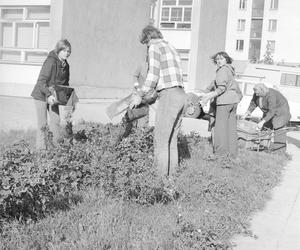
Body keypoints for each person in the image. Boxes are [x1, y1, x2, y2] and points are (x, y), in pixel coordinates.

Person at [131, 25, 186, 177]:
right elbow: (167, 77)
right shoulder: (171, 47)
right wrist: (153, 95)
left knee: (161, 141)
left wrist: (140, 94)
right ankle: (171, 181)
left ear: (148, 38)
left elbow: (153, 76)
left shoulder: (154, 47)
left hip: (169, 95)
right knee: (171, 142)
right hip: (181, 94)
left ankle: (160, 182)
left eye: (146, 43)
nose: (147, 47)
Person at [31, 39, 72, 150]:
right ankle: (41, 150)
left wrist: (68, 99)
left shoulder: (65, 65)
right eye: (64, 51)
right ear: (58, 50)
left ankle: (55, 148)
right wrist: (48, 95)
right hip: (41, 95)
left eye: (68, 51)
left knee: (55, 121)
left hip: (54, 96)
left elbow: (65, 85)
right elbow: (41, 82)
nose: (66, 53)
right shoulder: (50, 62)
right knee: (42, 124)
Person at [200, 51, 242, 158]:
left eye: (221, 59)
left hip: (224, 101)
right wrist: (205, 92)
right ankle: (232, 154)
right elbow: (214, 84)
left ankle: (220, 154)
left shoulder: (222, 70)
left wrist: (207, 98)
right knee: (231, 129)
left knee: (220, 129)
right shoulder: (230, 70)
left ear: (226, 60)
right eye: (217, 59)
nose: (219, 61)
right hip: (233, 101)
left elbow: (221, 88)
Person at [241, 83, 291, 152]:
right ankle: (262, 147)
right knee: (265, 128)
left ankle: (280, 152)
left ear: (263, 91)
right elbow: (253, 103)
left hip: (281, 112)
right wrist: (247, 112)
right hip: (269, 111)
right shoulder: (257, 93)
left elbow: (272, 111)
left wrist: (263, 121)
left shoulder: (271, 95)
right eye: (255, 93)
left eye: (258, 93)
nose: (256, 95)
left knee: (279, 130)